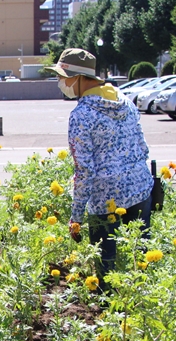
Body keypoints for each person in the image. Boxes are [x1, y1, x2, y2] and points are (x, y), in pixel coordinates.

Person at [45, 48, 153, 277]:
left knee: (106, 267)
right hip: (140, 188)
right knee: (142, 262)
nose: (60, 82)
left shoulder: (81, 114)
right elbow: (143, 147)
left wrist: (76, 217)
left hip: (105, 199)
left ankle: (107, 299)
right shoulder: (125, 101)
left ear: (79, 77)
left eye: (62, 77)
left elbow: (84, 170)